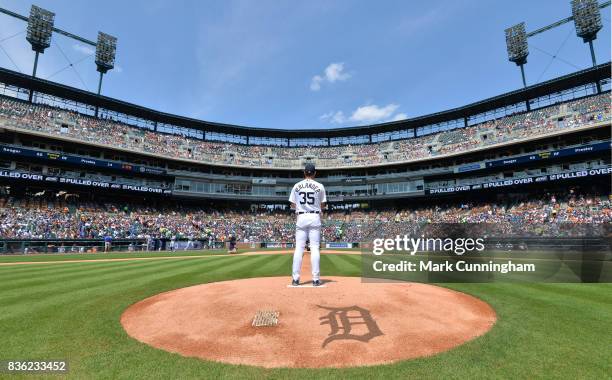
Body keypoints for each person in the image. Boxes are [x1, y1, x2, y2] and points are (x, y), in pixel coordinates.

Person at [289, 163, 326, 286]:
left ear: (304, 173)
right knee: (315, 248)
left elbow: (293, 204)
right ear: (315, 173)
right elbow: (323, 205)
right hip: (315, 216)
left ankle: (295, 279)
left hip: (301, 216)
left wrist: (301, 207)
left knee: (299, 248)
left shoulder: (297, 185)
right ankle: (315, 279)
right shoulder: (320, 186)